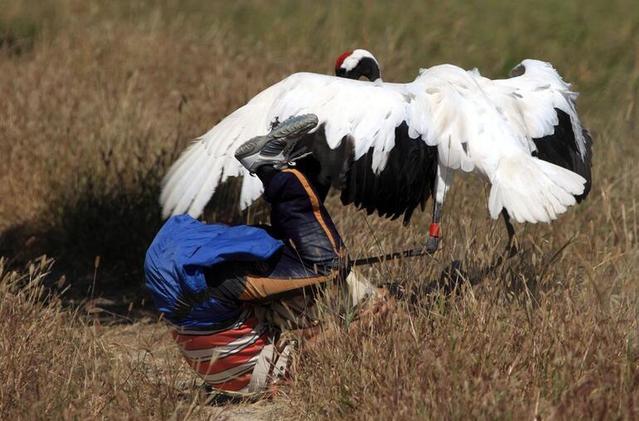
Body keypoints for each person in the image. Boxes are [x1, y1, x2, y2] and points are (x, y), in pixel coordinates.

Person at [145, 114, 376, 398]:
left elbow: (311, 341)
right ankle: (274, 167)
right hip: (188, 284)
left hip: (205, 292)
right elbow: (312, 345)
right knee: (325, 267)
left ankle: (281, 167)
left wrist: (360, 320)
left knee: (320, 267)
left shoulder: (248, 376)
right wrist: (366, 319)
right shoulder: (242, 376)